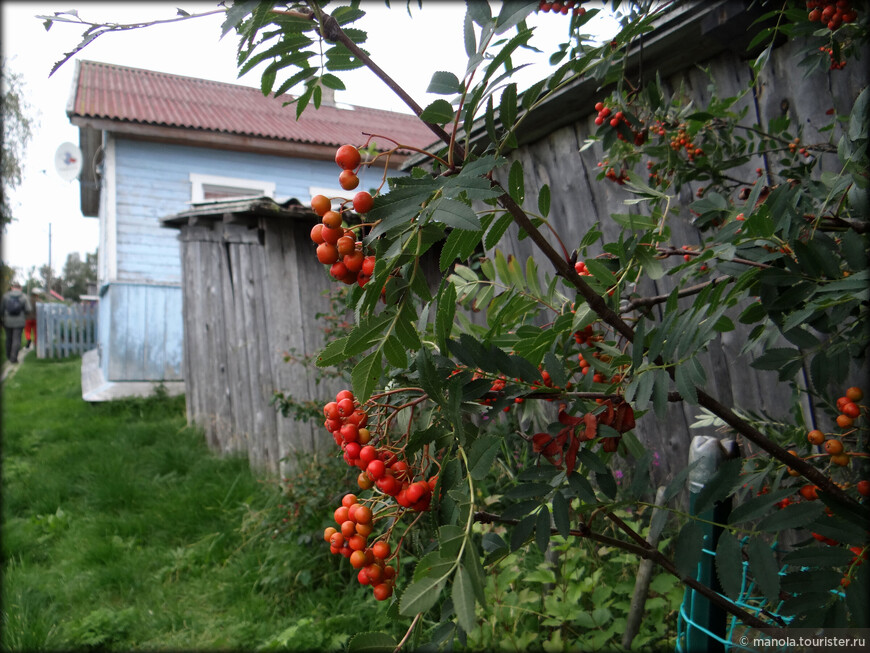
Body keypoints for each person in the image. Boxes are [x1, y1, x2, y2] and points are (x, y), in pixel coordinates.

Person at [2, 281, 33, 364]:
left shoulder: (6, 296)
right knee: (17, 339)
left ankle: (8, 356)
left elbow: (1, 309)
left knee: (8, 338)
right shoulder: (24, 297)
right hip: (19, 321)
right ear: (20, 288)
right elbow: (28, 309)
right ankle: (14, 358)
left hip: (7, 321)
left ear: (12, 288)